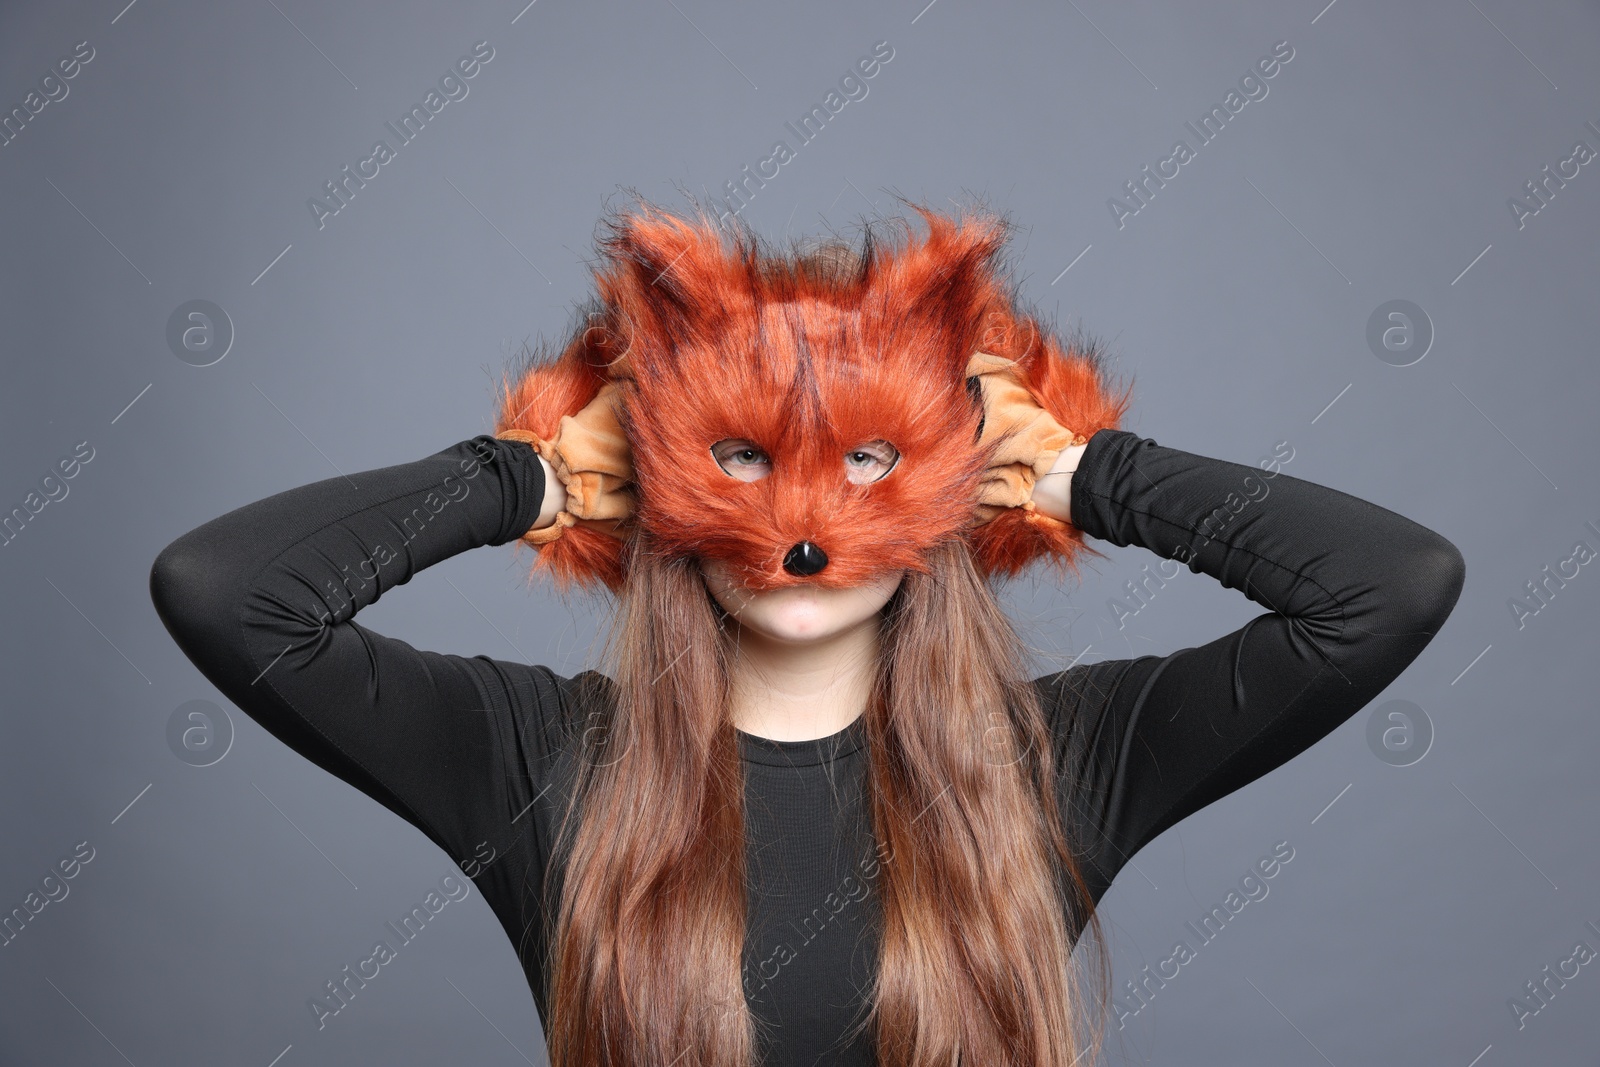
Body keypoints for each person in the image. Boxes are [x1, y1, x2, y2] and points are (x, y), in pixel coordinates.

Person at [149, 203, 1466, 1067]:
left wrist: (1081, 473)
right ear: (659, 474)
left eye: (869, 460)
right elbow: (229, 592)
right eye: (741, 456)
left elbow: (1387, 587)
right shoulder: (538, 762)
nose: (804, 524)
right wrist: (528, 477)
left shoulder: (1053, 763)